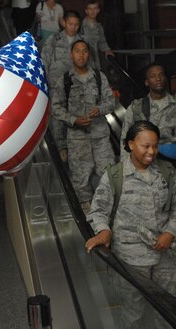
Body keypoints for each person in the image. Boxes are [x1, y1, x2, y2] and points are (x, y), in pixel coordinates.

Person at [86, 121, 176, 329]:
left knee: (168, 303)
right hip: (131, 258)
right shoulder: (115, 175)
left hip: (166, 255)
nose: (152, 151)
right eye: (146, 145)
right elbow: (98, 209)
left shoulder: (168, 173)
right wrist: (103, 231)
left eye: (155, 146)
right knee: (133, 310)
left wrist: (170, 233)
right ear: (131, 144)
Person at [52, 39, 115, 214]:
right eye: (77, 51)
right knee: (81, 177)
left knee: (108, 173)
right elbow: (56, 108)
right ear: (71, 55)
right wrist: (73, 119)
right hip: (77, 138)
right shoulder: (64, 80)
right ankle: (87, 212)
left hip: (100, 135)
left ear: (89, 54)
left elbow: (110, 101)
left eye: (85, 51)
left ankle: (108, 208)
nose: (81, 55)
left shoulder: (99, 77)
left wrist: (101, 109)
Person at [42, 10, 90, 155]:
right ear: (63, 22)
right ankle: (61, 148)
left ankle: (75, 149)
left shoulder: (82, 41)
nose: (73, 27)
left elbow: (89, 62)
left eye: (76, 24)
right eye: (70, 24)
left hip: (76, 85)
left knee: (75, 116)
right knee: (57, 117)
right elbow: (45, 60)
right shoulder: (54, 39)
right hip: (55, 85)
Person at [80, 0, 114, 71]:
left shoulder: (99, 27)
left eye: (95, 8)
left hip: (95, 62)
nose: (92, 11)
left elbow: (102, 42)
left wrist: (107, 50)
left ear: (98, 10)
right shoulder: (80, 25)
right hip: (82, 61)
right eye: (90, 8)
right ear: (86, 11)